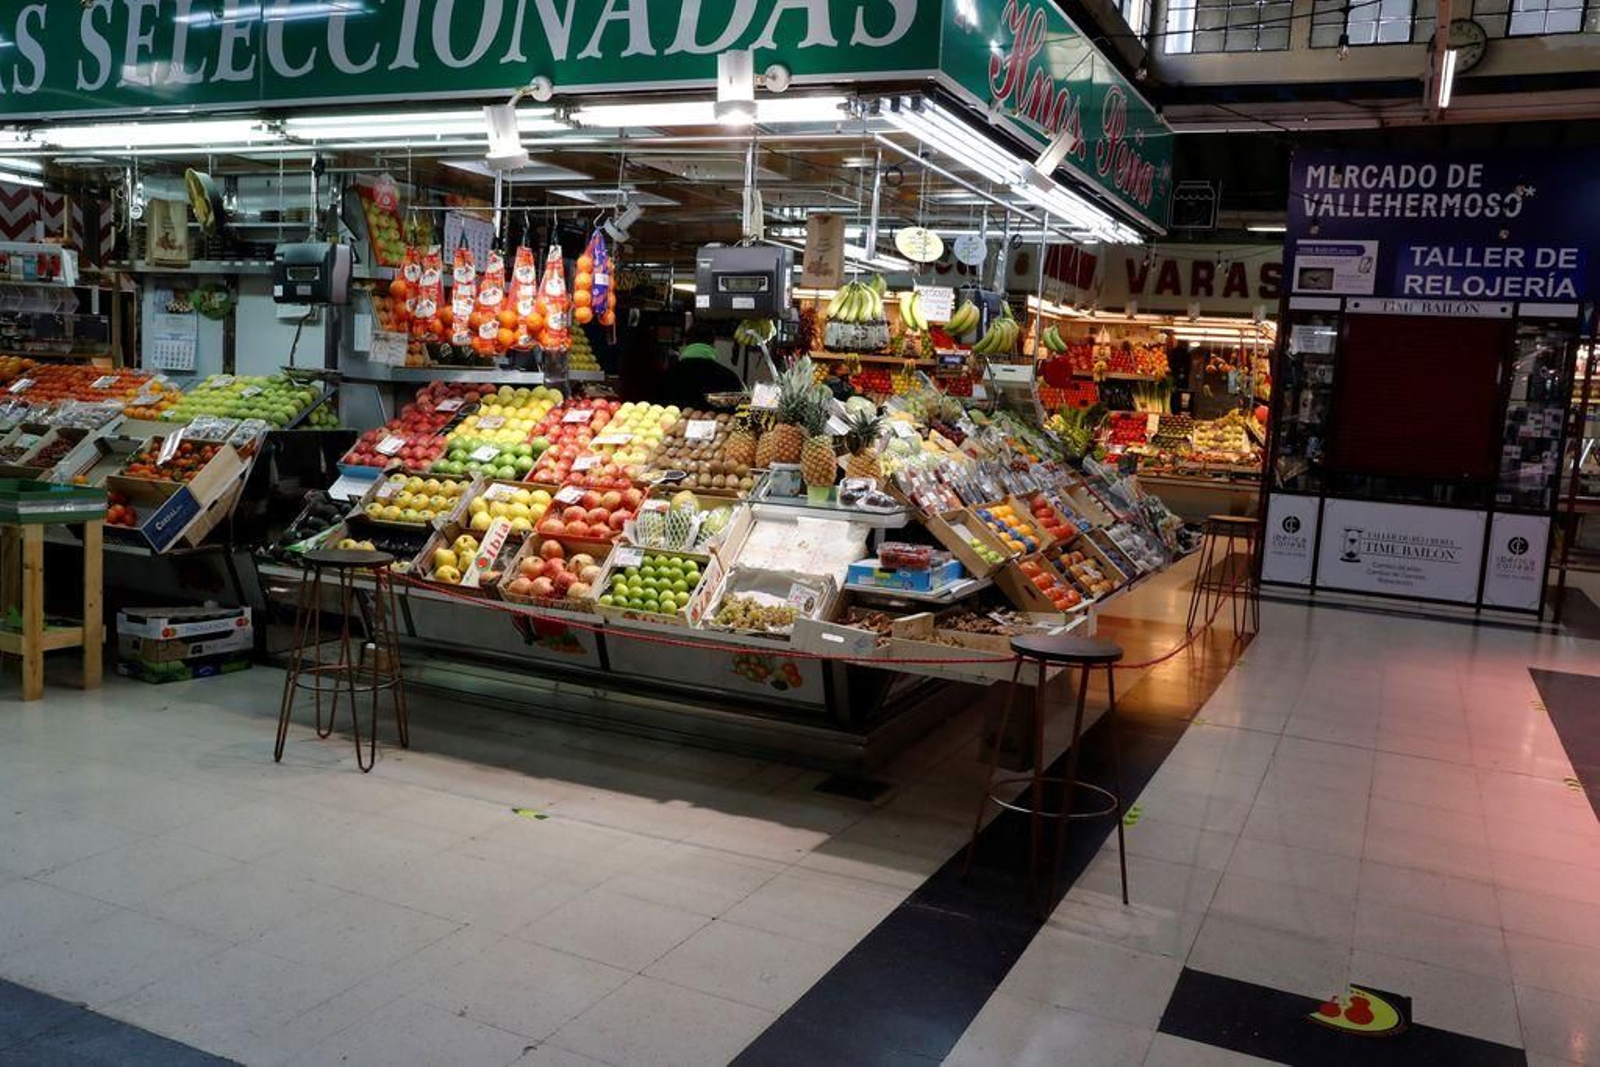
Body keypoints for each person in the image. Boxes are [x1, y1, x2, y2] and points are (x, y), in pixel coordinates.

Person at [658, 332, 745, 409]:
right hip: (718, 422)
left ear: (685, 344)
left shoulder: (666, 376)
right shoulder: (729, 378)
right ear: (713, 346)